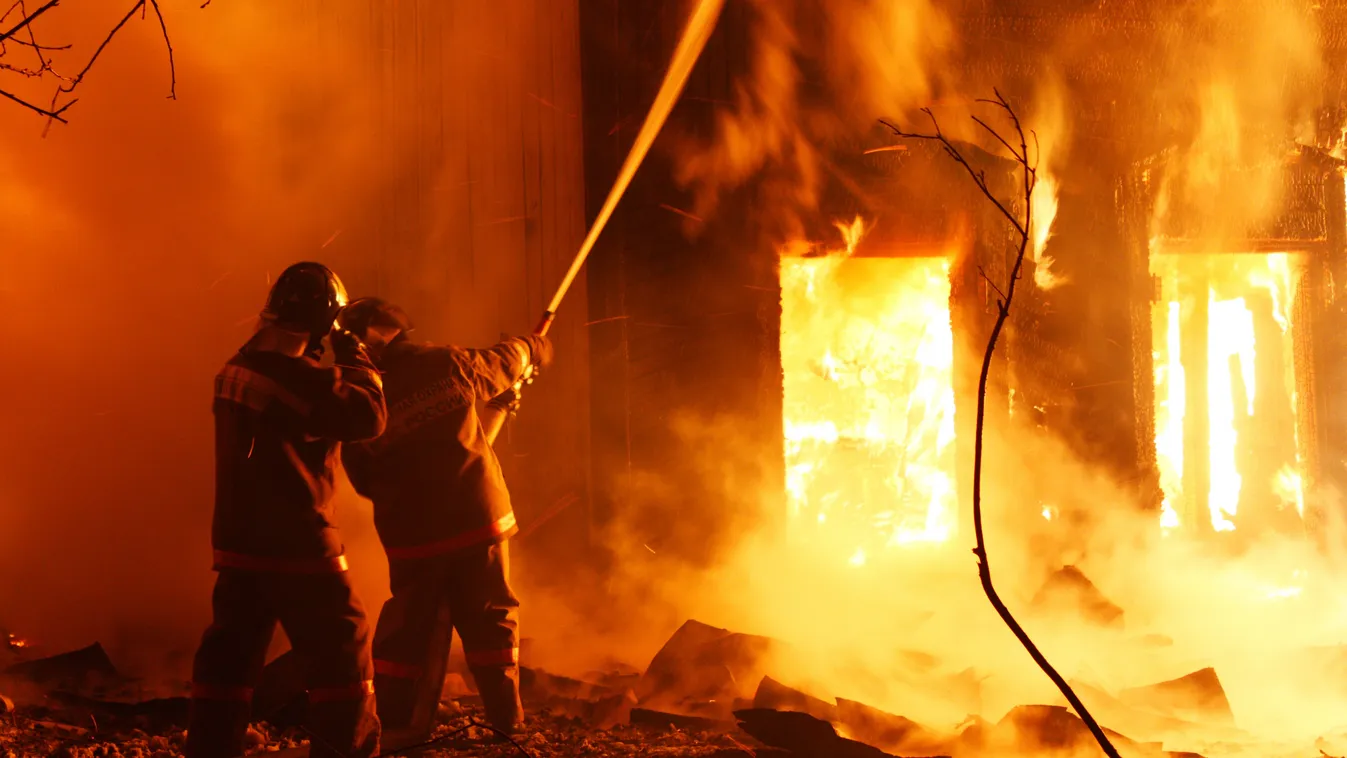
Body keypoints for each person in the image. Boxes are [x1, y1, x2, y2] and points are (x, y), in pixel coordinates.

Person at [186, 262, 386, 758]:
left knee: (229, 663)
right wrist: (355, 355)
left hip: (239, 544)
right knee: (344, 654)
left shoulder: (235, 367)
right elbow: (368, 416)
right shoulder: (297, 380)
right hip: (300, 546)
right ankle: (347, 751)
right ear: (323, 325)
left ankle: (212, 749)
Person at [336, 297, 552, 745]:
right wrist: (532, 347)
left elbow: (363, 478)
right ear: (397, 330)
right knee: (491, 620)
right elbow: (502, 362)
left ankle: (395, 721)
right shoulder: (445, 364)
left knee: (406, 632)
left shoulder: (357, 398)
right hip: (477, 522)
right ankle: (506, 722)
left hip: (413, 538)